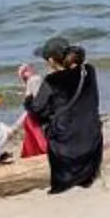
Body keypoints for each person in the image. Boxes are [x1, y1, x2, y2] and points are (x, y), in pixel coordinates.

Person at [20, 36, 104, 192]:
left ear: (52, 61)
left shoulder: (52, 81)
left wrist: (28, 93)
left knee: (30, 120)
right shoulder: (89, 71)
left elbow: (36, 112)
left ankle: (32, 155)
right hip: (92, 142)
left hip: (66, 151)